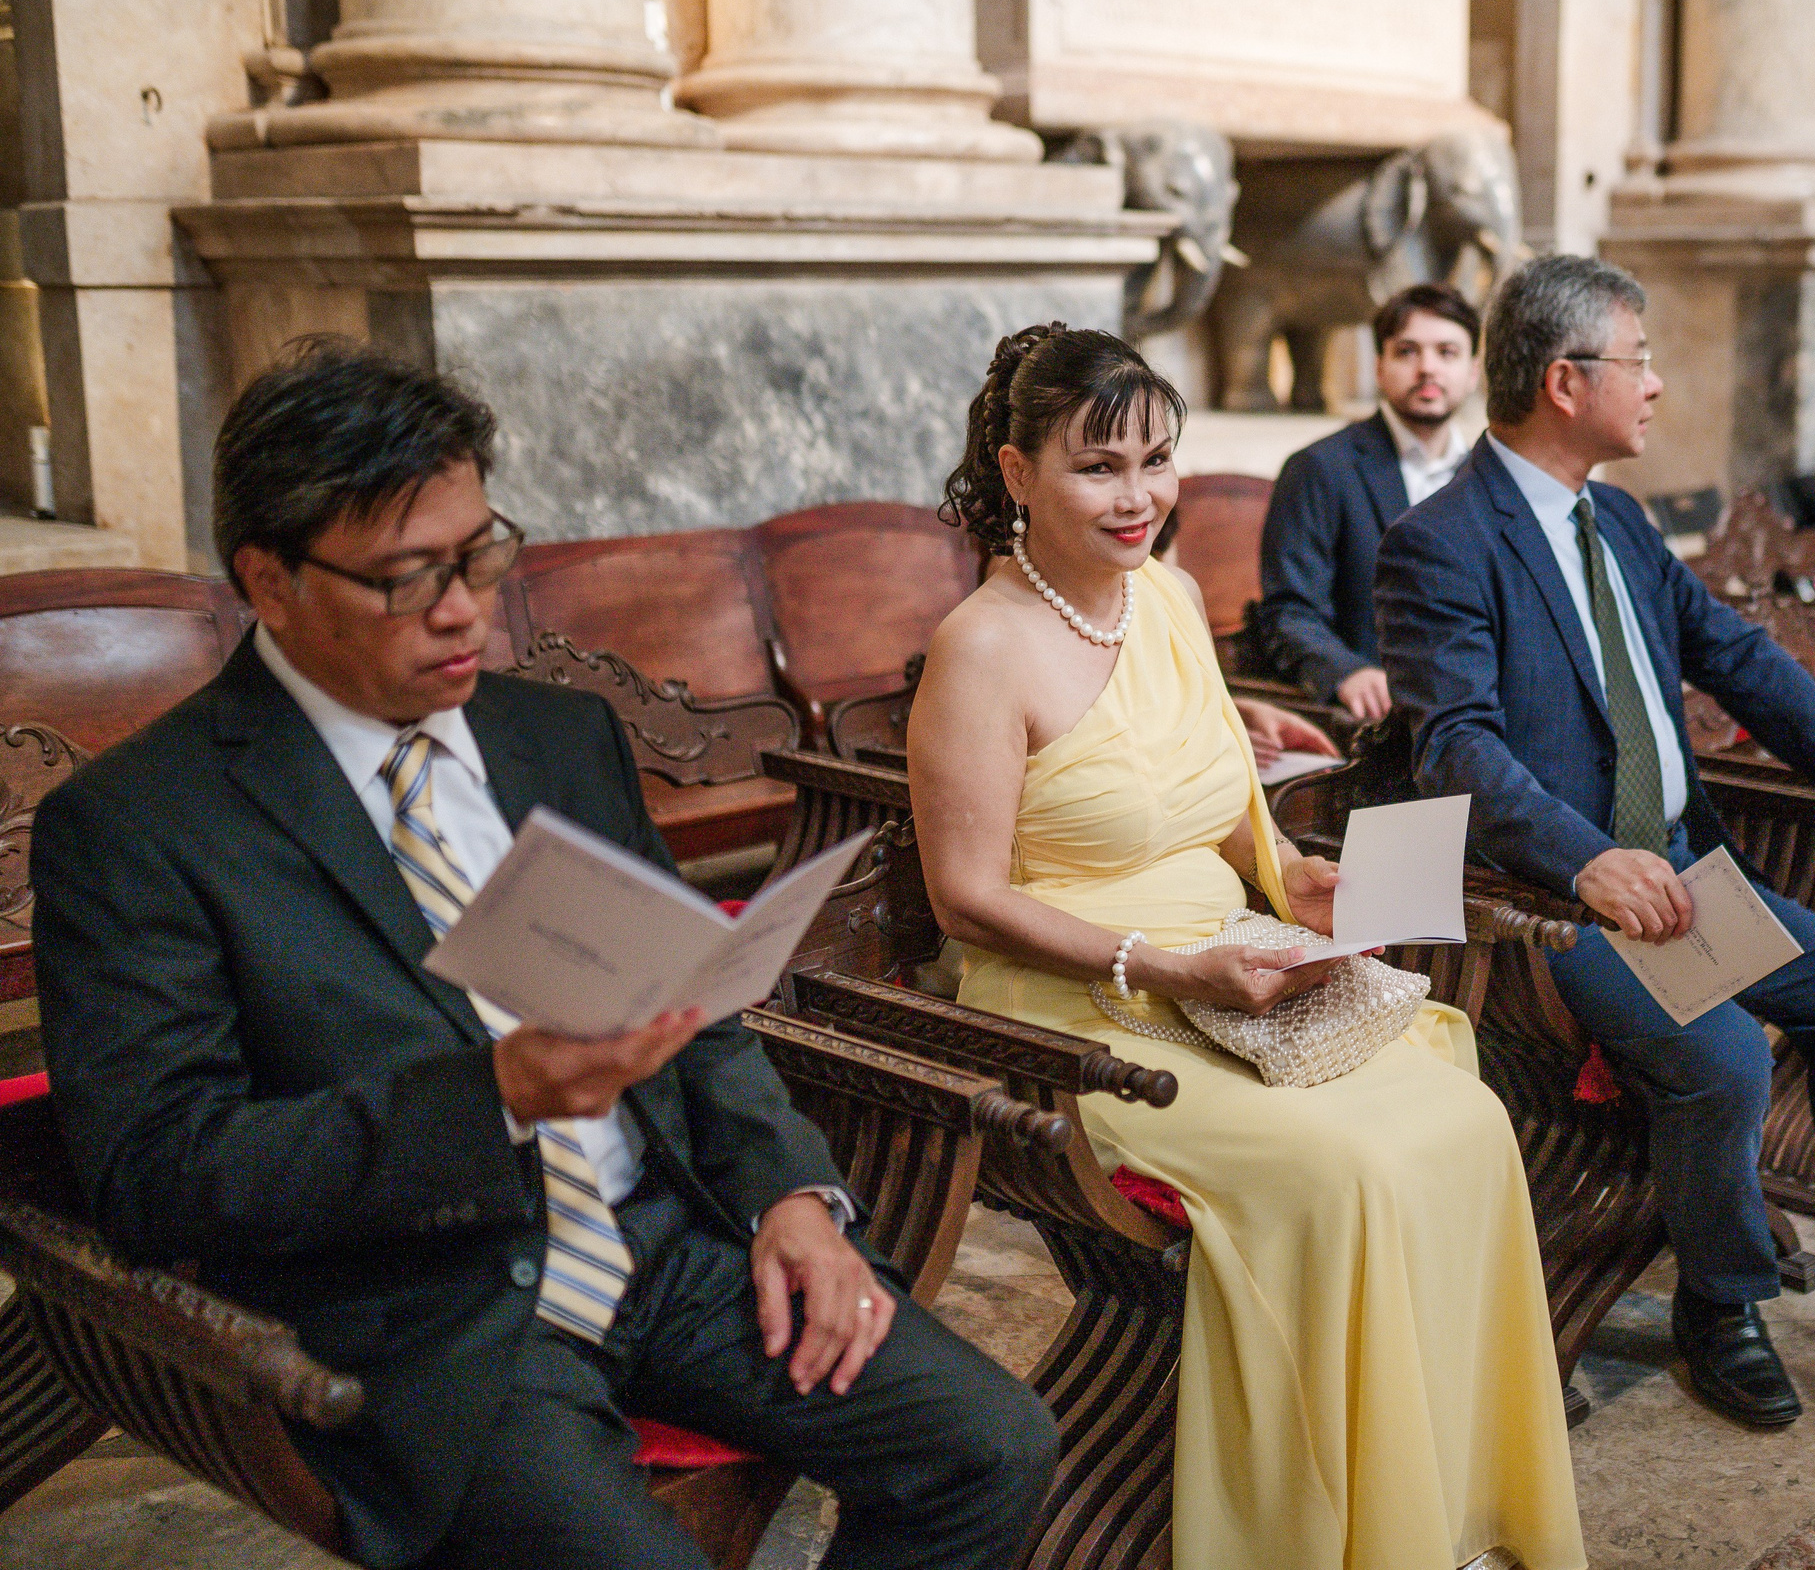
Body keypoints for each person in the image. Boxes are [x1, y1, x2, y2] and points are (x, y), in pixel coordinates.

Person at [32, 345, 1056, 1570]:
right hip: (433, 1310)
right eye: (410, 577)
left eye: (480, 553)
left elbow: (696, 1010)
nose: (467, 608)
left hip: (669, 1242)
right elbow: (157, 1173)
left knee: (988, 1445)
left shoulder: (554, 739)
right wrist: (496, 1095)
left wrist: (794, 1197)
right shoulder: (146, 822)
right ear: (272, 580)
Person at [1373, 256, 1815, 1431]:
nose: (1657, 384)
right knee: (1721, 1052)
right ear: (1566, 382)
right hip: (1539, 901)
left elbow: (1745, 660)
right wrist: (1583, 860)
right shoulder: (1442, 540)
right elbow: (1453, 748)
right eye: (1640, 358)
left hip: (1677, 875)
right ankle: (1716, 1307)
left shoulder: (1613, 518)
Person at [906, 323, 1583, 1570]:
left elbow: (1212, 784)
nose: (1140, 496)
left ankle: (1436, 1500)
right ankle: (1327, 1527)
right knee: (1342, 1172)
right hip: (1068, 1001)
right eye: (1099, 466)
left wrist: (1292, 874)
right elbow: (959, 898)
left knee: (1463, 1111)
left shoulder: (1163, 593)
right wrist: (1165, 968)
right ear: (1013, 473)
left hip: (1222, 949)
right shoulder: (981, 648)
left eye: (1158, 460)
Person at [1259, 284, 1483, 719]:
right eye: (1407, 351)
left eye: (1447, 352)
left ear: (1474, 371)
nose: (1428, 368)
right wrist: (1346, 673)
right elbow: (1290, 609)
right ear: (1379, 366)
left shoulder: (1490, 478)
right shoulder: (1319, 468)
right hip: (1375, 718)